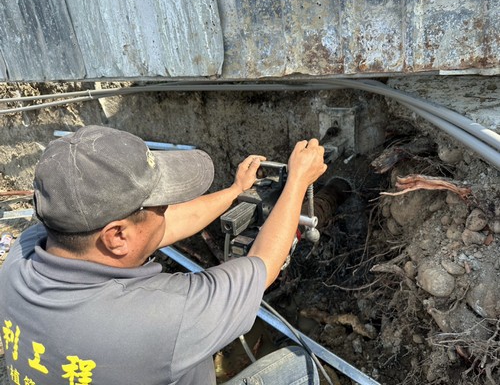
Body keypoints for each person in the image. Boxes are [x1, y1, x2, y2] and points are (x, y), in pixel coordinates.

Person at [0, 125, 327, 385]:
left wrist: (234, 193)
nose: (167, 210)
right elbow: (264, 264)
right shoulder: (161, 317)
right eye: (161, 205)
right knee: (300, 365)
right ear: (116, 235)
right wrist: (298, 181)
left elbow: (157, 228)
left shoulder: (21, 256)